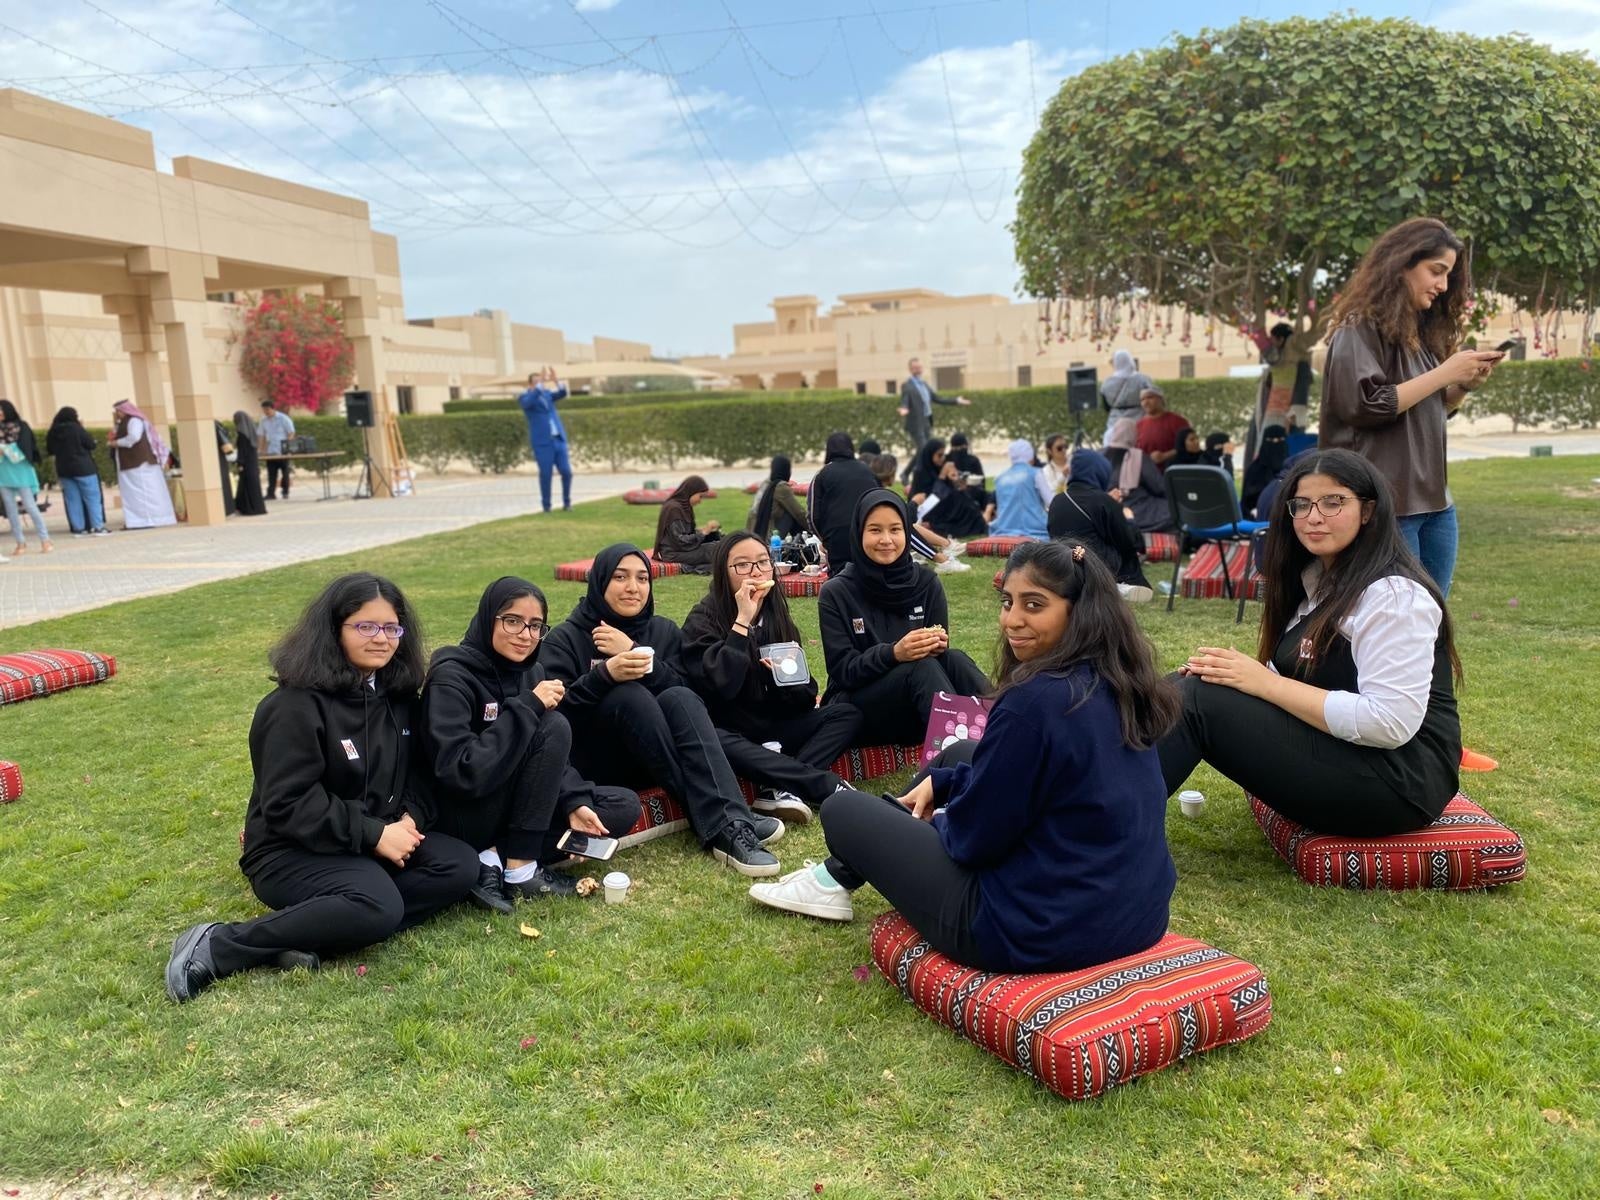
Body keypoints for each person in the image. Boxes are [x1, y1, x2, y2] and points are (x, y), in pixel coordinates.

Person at [752, 541, 1180, 976]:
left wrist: (938, 817)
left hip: (1032, 930)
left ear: (1080, 611)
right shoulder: (1121, 680)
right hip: (1138, 915)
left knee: (844, 810)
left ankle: (835, 874)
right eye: (1008, 602)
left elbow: (974, 842)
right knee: (956, 755)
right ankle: (835, 877)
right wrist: (947, 784)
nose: (1012, 620)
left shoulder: (1034, 703)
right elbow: (1044, 786)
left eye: (1034, 605)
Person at [164, 573, 479, 1003]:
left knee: (458, 866)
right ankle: (218, 945)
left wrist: (410, 818)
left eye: (392, 628)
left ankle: (310, 934)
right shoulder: (292, 707)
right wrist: (375, 834)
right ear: (333, 630)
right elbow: (289, 803)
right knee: (377, 905)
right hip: (290, 850)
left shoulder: (399, 697)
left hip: (372, 840)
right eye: (366, 626)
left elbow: (420, 774)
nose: (381, 638)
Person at [1158, 449, 1462, 836]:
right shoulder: (1314, 580)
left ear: (1368, 511)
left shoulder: (1394, 597)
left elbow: (1389, 723)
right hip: (1345, 754)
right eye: (1301, 505)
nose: (1313, 517)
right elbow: (1296, 676)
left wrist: (1264, 683)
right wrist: (1228, 676)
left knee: (1198, 701)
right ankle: (1096, 798)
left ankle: (1106, 827)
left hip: (1398, 785)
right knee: (1181, 689)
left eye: (1333, 502)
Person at [539, 544, 784, 877]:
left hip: (656, 758)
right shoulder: (567, 639)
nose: (633, 588)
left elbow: (687, 690)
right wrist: (604, 676)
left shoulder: (662, 631)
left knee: (680, 698)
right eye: (620, 577)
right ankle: (726, 817)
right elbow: (556, 715)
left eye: (642, 578)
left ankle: (728, 821)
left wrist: (638, 653)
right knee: (628, 696)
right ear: (599, 582)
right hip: (600, 765)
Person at [422, 577, 641, 910]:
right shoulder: (451, 677)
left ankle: (493, 856)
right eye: (513, 621)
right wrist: (527, 706)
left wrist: (572, 801)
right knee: (553, 724)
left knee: (621, 806)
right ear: (489, 618)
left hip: (518, 802)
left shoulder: (531, 672)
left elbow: (549, 757)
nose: (525, 635)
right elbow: (461, 773)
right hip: (467, 809)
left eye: (535, 626)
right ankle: (522, 869)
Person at [1318, 217, 1500, 599]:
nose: (1443, 285)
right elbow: (1365, 405)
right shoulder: (1358, 329)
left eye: (1448, 275)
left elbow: (1425, 410)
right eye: (1436, 270)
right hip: (1384, 508)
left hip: (1436, 505)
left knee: (1431, 618)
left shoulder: (1419, 336)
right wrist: (1445, 373)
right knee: (1392, 617)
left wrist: (1462, 387)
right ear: (1402, 263)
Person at [680, 533, 864, 820]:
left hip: (773, 728)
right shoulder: (702, 619)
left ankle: (779, 787)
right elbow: (722, 686)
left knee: (845, 714)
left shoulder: (777, 616)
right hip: (731, 733)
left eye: (763, 562)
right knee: (716, 739)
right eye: (742, 565)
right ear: (723, 572)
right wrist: (742, 621)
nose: (755, 572)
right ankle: (820, 784)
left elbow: (805, 701)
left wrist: (786, 679)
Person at [818, 490, 990, 747]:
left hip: (915, 705)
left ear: (907, 533)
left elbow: (940, 660)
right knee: (921, 666)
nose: (886, 540)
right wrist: (894, 653)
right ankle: (956, 755)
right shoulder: (837, 592)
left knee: (955, 659)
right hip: (861, 710)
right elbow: (844, 671)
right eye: (875, 530)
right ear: (859, 532)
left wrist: (936, 645)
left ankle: (1007, 730)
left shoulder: (927, 583)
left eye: (895, 530)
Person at [1049, 450, 1153, 598]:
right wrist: (1128, 518)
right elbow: (1130, 542)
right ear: (1100, 472)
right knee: (1128, 553)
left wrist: (1109, 504)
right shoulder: (1104, 502)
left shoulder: (1057, 501)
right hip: (1097, 566)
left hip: (1065, 564)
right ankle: (1120, 585)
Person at [807, 431, 879, 574]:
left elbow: (813, 516)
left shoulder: (822, 474)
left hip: (837, 539)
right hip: (867, 535)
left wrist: (825, 540)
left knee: (839, 579)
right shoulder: (868, 471)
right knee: (870, 576)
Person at [897, 357, 970, 484]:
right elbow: (905, 400)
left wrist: (956, 401)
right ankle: (910, 474)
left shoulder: (924, 384)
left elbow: (937, 398)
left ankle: (909, 474)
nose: (917, 369)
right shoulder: (907, 385)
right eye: (914, 367)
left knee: (926, 450)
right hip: (915, 423)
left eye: (919, 367)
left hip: (926, 422)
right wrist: (904, 408)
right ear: (910, 369)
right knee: (924, 449)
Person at [107, 399, 177, 529]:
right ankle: (137, 521)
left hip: (139, 464)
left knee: (144, 492)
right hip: (131, 464)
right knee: (134, 494)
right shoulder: (123, 422)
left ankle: (149, 520)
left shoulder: (134, 421)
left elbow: (134, 437)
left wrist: (116, 443)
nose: (117, 414)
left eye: (118, 411)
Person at [517, 366, 574, 513]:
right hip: (543, 443)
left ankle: (567, 503)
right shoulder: (524, 397)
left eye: (541, 380)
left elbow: (562, 393)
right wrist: (539, 385)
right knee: (546, 474)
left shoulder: (547, 394)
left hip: (558, 439)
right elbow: (529, 402)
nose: (541, 383)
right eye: (537, 381)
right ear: (530, 384)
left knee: (566, 472)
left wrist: (556, 380)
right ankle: (546, 506)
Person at [46, 407, 108, 537]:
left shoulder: (53, 431)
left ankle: (79, 529)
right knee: (92, 498)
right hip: (83, 468)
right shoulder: (76, 428)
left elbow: (50, 450)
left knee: (72, 500)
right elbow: (90, 444)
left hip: (64, 469)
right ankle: (98, 527)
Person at [908, 438, 988, 540]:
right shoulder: (920, 473)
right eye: (939, 455)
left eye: (943, 455)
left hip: (944, 506)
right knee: (962, 507)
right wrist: (942, 475)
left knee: (969, 502)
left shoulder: (938, 467)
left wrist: (957, 481)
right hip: (930, 511)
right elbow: (932, 498)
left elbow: (949, 489)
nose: (942, 458)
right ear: (930, 455)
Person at [0, 400, 52, 553]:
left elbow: (25, 449)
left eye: (1, 410)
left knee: (30, 506)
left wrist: (5, 450)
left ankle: (45, 539)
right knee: (10, 509)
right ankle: (20, 542)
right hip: (3, 472)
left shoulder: (22, 427)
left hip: (21, 471)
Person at [1103, 421, 1172, 534]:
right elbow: (1159, 487)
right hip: (1137, 509)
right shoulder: (1138, 456)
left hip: (1106, 511)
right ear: (1133, 435)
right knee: (1175, 511)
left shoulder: (1099, 454)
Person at [653, 475, 722, 574]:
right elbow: (680, 542)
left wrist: (707, 532)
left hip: (682, 550)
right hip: (673, 553)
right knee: (713, 549)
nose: (700, 501)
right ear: (691, 492)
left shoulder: (684, 507)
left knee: (717, 540)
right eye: (700, 496)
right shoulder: (674, 509)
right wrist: (703, 532)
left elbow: (686, 534)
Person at [988, 438, 1051, 539]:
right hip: (1035, 529)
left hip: (1004, 529)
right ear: (1031, 455)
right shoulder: (1036, 473)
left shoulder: (1000, 478)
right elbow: (1051, 503)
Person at [1099, 349, 1151, 449]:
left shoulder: (1106, 383)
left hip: (1115, 424)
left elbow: (1106, 407)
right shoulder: (1143, 380)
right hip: (1139, 421)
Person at [746, 455, 806, 540]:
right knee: (791, 512)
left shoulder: (765, 484)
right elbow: (799, 513)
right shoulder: (781, 487)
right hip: (767, 537)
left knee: (788, 508)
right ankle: (805, 539)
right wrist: (815, 528)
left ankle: (800, 538)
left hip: (752, 533)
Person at [1241, 425, 1290, 520]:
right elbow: (1248, 502)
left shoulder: (1292, 466)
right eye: (1270, 440)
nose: (1275, 444)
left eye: (1280, 440)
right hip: (1259, 517)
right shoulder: (1255, 469)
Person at [1135, 387, 1190, 469]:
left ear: (1160, 399)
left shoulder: (1178, 421)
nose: (1146, 402)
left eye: (1150, 397)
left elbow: (1190, 446)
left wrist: (1165, 456)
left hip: (1173, 471)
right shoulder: (1138, 425)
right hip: (1146, 473)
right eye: (1142, 400)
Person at [258, 398, 296, 501]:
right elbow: (261, 435)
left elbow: (291, 433)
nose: (266, 412)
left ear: (273, 409)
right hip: (271, 451)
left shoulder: (283, 418)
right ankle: (271, 494)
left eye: (267, 410)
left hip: (282, 451)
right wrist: (260, 449)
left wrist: (287, 448)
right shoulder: (263, 420)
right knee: (271, 473)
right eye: (264, 410)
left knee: (285, 472)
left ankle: (285, 491)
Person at [232, 411, 268, 517]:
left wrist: (240, 464)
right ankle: (256, 507)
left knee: (246, 486)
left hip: (246, 464)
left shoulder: (242, 435)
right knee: (253, 486)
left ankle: (247, 508)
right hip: (253, 464)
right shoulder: (252, 433)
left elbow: (242, 451)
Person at [213, 419, 238, 517]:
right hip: (219, 460)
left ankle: (224, 509)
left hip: (214, 460)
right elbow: (227, 447)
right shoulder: (216, 426)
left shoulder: (212, 425)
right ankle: (228, 509)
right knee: (223, 484)